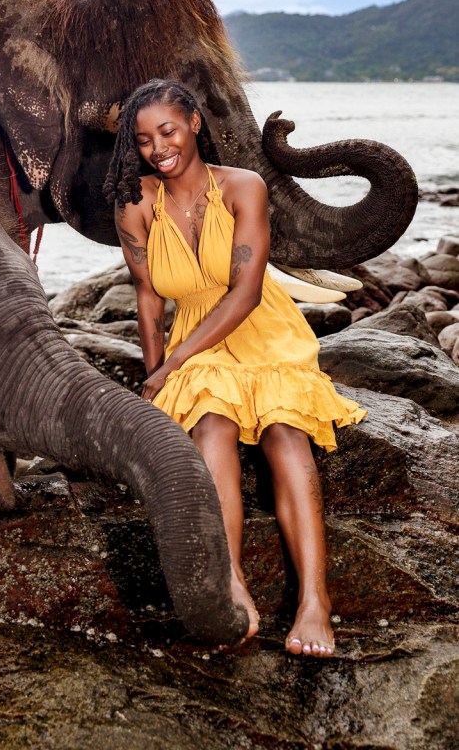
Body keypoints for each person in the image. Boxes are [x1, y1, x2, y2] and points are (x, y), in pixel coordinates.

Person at [103, 78, 366, 656]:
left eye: (168, 131)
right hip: (196, 339)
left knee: (283, 431)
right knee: (212, 423)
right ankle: (231, 582)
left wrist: (171, 363)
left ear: (194, 124)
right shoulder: (135, 204)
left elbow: (245, 293)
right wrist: (157, 380)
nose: (158, 147)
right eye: (144, 139)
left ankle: (314, 602)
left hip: (261, 327)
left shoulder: (244, 187)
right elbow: (149, 299)